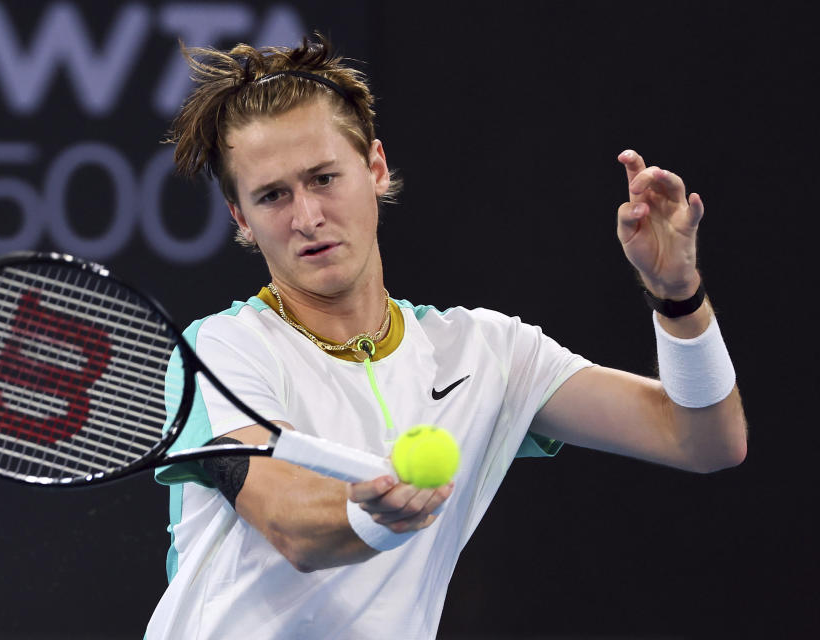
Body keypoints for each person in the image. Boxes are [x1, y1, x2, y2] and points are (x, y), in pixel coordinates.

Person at [144, 35, 747, 639]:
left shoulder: (487, 354)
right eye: (273, 196)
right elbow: (291, 524)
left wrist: (679, 296)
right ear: (241, 217)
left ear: (375, 167)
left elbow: (704, 441)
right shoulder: (221, 351)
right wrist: (377, 515)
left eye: (324, 178)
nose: (306, 218)